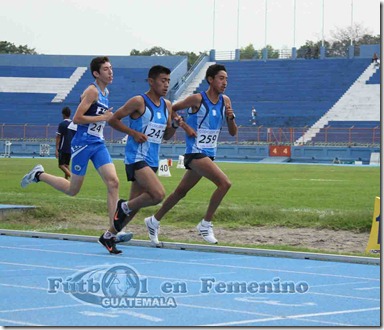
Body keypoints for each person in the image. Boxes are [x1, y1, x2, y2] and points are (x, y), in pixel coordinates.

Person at [21, 56, 126, 255]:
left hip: (97, 143)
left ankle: (112, 233)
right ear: (96, 73)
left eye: (111, 68)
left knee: (114, 182)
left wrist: (103, 119)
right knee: (72, 190)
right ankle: (39, 175)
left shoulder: (106, 91)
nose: (110, 72)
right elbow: (77, 118)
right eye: (106, 69)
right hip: (82, 144)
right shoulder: (92, 90)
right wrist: (102, 117)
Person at [144, 63, 238, 245]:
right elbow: (171, 108)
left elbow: (233, 132)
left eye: (226, 79)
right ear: (210, 80)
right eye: (221, 78)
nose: (225, 82)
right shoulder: (197, 99)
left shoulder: (226, 101)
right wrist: (184, 125)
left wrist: (231, 117)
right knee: (224, 183)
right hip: (195, 153)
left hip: (209, 153)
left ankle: (153, 220)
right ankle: (205, 224)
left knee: (180, 192)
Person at [109, 65, 183, 237]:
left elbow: (166, 136)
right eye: (163, 81)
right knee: (158, 195)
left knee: (136, 206)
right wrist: (133, 133)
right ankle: (123, 206)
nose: (166, 85)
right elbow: (113, 120)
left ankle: (108, 236)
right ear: (151, 81)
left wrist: (174, 125)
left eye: (168, 81)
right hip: (136, 157)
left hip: (152, 159)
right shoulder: (138, 101)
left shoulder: (167, 105)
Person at [55, 106, 77, 179]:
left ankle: (73, 178)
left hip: (63, 147)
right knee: (66, 165)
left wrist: (57, 149)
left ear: (63, 114)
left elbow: (58, 136)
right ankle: (67, 182)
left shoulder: (62, 124)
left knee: (61, 165)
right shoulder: (74, 124)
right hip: (71, 147)